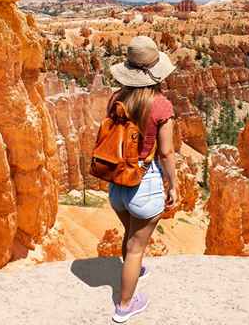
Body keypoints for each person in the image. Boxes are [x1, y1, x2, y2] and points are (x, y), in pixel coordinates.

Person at [107, 35, 180, 323]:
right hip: (144, 183)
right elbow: (166, 152)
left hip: (117, 182)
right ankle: (126, 305)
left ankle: (133, 269)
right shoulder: (161, 106)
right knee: (136, 248)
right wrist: (172, 184)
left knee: (130, 235)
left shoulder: (116, 99)